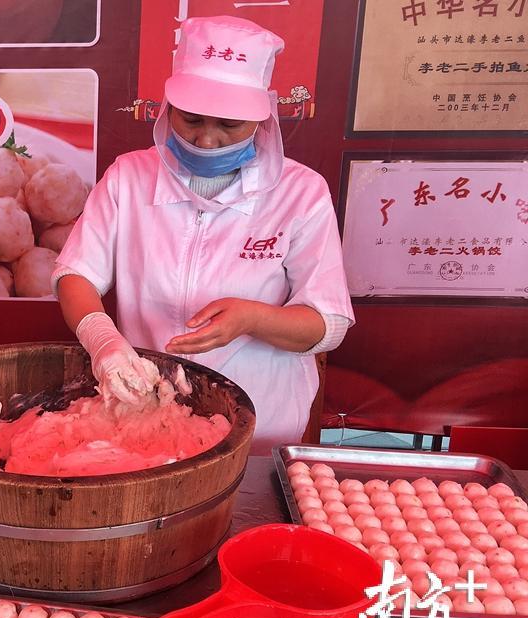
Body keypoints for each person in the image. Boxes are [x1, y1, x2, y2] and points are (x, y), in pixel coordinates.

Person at [54, 16, 353, 458]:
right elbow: (75, 273)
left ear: (261, 119)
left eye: (230, 125)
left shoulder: (300, 193)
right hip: (146, 412)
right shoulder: (128, 178)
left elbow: (327, 324)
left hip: (259, 424)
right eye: (191, 120)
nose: (207, 140)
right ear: (168, 109)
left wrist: (251, 319)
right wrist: (105, 342)